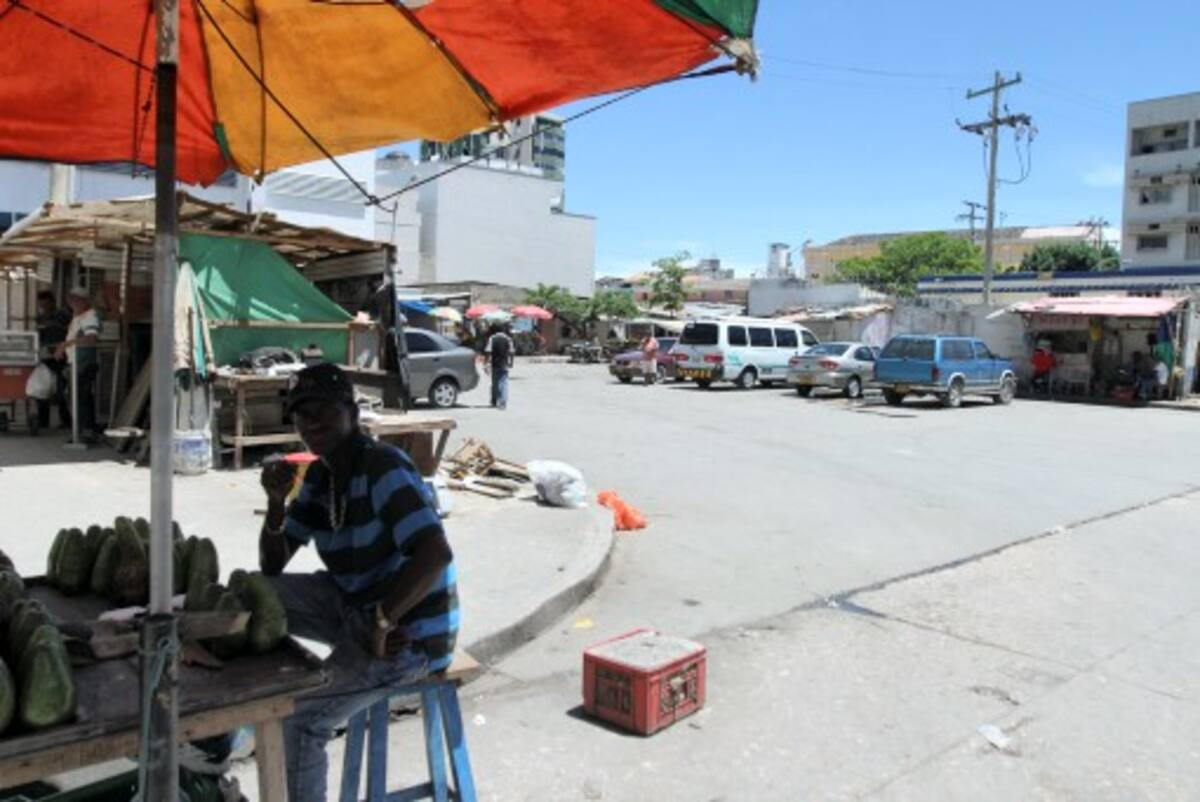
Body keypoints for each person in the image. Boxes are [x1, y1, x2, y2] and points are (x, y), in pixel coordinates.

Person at [259, 363, 457, 802]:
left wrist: (385, 621)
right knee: (252, 594)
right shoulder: (321, 477)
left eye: (323, 411)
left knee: (301, 719)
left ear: (350, 411)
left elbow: (435, 553)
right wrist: (275, 505)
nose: (312, 424)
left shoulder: (382, 466)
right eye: (302, 415)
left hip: (410, 635)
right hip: (355, 608)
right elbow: (272, 567)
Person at [54, 288, 101, 440]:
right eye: (71, 300)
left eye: (77, 300)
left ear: (85, 301)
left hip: (84, 362)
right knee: (80, 397)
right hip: (76, 362)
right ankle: (86, 430)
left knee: (79, 397)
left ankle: (83, 432)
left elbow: (91, 338)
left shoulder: (90, 316)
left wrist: (65, 344)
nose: (73, 303)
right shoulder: (78, 316)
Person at [35, 291, 71, 429]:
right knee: (42, 387)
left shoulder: (63, 315)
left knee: (61, 390)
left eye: (45, 304)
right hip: (45, 356)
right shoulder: (40, 317)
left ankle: (66, 421)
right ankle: (43, 421)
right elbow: (40, 335)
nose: (42, 306)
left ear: (52, 302)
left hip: (61, 356)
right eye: (40, 304)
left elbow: (71, 331)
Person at [483, 323, 514, 409]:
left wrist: (485, 363)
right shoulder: (508, 339)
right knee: (504, 383)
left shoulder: (492, 338)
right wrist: (511, 362)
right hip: (504, 364)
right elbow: (511, 352)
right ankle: (503, 402)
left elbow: (488, 352)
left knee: (495, 383)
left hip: (495, 364)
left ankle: (494, 400)